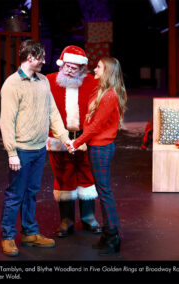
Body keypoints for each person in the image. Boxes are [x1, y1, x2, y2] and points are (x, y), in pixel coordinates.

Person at [0, 40, 70, 257]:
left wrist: (65, 138)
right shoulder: (11, 85)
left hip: (40, 148)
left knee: (31, 193)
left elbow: (53, 112)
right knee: (15, 194)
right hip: (21, 150)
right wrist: (12, 153)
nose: (44, 61)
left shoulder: (43, 81)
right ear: (30, 57)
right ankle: (8, 236)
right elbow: (6, 121)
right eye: (41, 57)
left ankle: (30, 232)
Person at [69, 57, 127, 255]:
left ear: (107, 72)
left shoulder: (109, 95)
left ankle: (113, 236)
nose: (95, 69)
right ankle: (108, 233)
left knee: (104, 192)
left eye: (99, 67)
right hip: (97, 146)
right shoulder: (102, 91)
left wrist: (76, 143)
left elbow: (96, 126)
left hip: (101, 148)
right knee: (103, 191)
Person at [46, 45, 101, 238]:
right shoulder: (50, 81)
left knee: (88, 177)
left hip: (84, 137)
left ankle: (88, 219)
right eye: (67, 66)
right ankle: (66, 222)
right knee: (63, 178)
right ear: (61, 65)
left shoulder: (93, 83)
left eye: (74, 67)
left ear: (82, 69)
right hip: (58, 139)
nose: (69, 70)